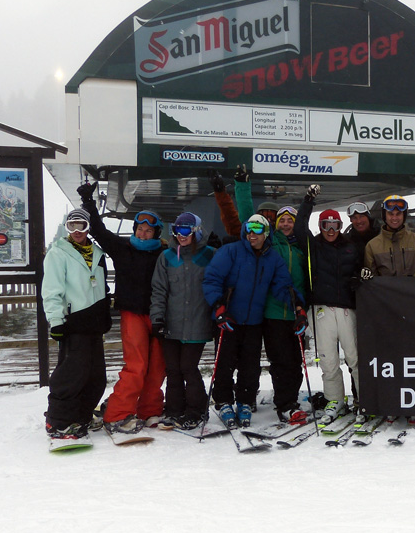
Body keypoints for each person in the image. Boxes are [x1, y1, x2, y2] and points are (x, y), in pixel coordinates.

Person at [78, 182, 166, 434]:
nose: (142, 234)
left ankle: (150, 410)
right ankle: (118, 412)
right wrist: (89, 201)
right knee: (136, 366)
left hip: (159, 315)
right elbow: (98, 230)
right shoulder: (123, 248)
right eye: (139, 229)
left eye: (148, 230)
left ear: (156, 232)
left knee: (157, 367)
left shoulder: (166, 253)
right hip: (133, 314)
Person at [202, 215, 304, 428]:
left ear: (265, 233)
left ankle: (245, 400)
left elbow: (282, 286)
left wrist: (298, 307)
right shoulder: (231, 252)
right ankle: (223, 401)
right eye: (249, 230)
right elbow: (212, 279)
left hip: (254, 321)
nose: (252, 235)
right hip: (228, 319)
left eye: (257, 231)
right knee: (225, 362)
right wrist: (218, 307)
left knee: (250, 365)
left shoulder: (272, 258)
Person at [233, 168, 308, 415]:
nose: (286, 223)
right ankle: (284, 404)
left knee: (295, 362)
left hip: (296, 312)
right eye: (282, 220)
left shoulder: (302, 249)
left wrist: (303, 306)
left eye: (291, 220)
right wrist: (242, 186)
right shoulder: (271, 242)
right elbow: (248, 218)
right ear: (276, 224)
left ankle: (291, 399)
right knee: (279, 361)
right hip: (273, 311)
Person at [294, 185, 363, 425]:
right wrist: (308, 202)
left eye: (335, 225)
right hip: (321, 309)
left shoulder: (351, 247)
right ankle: (335, 400)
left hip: (346, 309)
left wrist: (360, 277)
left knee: (354, 357)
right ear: (320, 227)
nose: (331, 230)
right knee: (328, 359)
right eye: (326, 225)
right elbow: (299, 227)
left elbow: (360, 270)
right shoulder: (313, 247)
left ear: (340, 227)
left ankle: (363, 399)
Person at [41, 208, 112, 440]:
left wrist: (105, 312)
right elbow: (52, 289)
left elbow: (102, 286)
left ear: (88, 227)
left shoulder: (98, 252)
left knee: (95, 376)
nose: (77, 231)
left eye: (81, 226)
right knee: (71, 374)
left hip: (94, 322)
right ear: (67, 228)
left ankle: (80, 416)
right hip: (73, 322)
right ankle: (58, 421)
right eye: (72, 226)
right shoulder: (58, 253)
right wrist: (56, 321)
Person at [150, 212, 216, 430]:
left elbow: (218, 285)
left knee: (188, 367)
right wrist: (157, 318)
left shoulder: (209, 255)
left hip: (198, 322)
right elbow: (159, 290)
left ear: (196, 231)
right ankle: (174, 410)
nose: (181, 235)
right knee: (173, 369)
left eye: (186, 230)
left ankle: (196, 409)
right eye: (177, 231)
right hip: (172, 323)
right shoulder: (167, 257)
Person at [363, 195, 415, 277]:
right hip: (385, 290)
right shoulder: (373, 246)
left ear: (404, 215)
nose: (394, 218)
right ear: (384, 216)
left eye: (398, 214)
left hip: (413, 289)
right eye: (390, 214)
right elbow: (372, 280)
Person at [344, 200, 381, 265]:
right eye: (354, 218)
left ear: (368, 217)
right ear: (351, 220)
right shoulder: (345, 241)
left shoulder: (381, 236)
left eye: (361, 216)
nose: (358, 221)